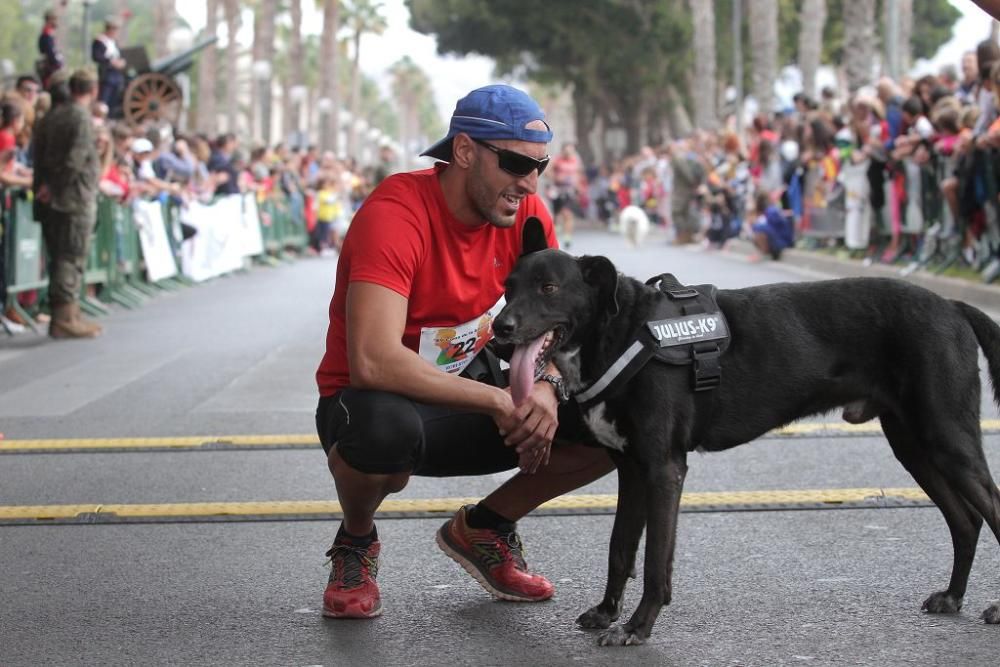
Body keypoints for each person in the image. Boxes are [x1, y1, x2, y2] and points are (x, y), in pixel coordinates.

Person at [314, 84, 613, 619]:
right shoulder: (396, 213)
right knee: (384, 432)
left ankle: (485, 528)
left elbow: (568, 319)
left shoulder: (525, 210)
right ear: (466, 151)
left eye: (540, 166)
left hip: (465, 390)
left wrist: (548, 385)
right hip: (370, 401)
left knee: (615, 417)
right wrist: (499, 401)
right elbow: (374, 360)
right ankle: (356, 541)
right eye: (517, 163)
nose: (529, 182)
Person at [32, 68, 102, 339]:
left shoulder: (49, 117)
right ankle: (64, 317)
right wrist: (56, 186)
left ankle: (70, 313)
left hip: (53, 198)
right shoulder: (79, 117)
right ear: (93, 89)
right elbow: (75, 158)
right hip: (72, 198)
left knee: (60, 256)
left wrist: (45, 187)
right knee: (70, 256)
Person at [91, 17, 127, 116]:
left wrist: (120, 62)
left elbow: (118, 55)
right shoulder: (100, 41)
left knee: (113, 101)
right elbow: (96, 56)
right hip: (106, 74)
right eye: (114, 29)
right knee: (104, 100)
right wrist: (111, 62)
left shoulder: (114, 42)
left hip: (116, 75)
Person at [36, 10, 64, 89]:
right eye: (55, 19)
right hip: (49, 69)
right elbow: (50, 53)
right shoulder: (46, 36)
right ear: (49, 20)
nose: (57, 22)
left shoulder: (49, 35)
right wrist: (57, 63)